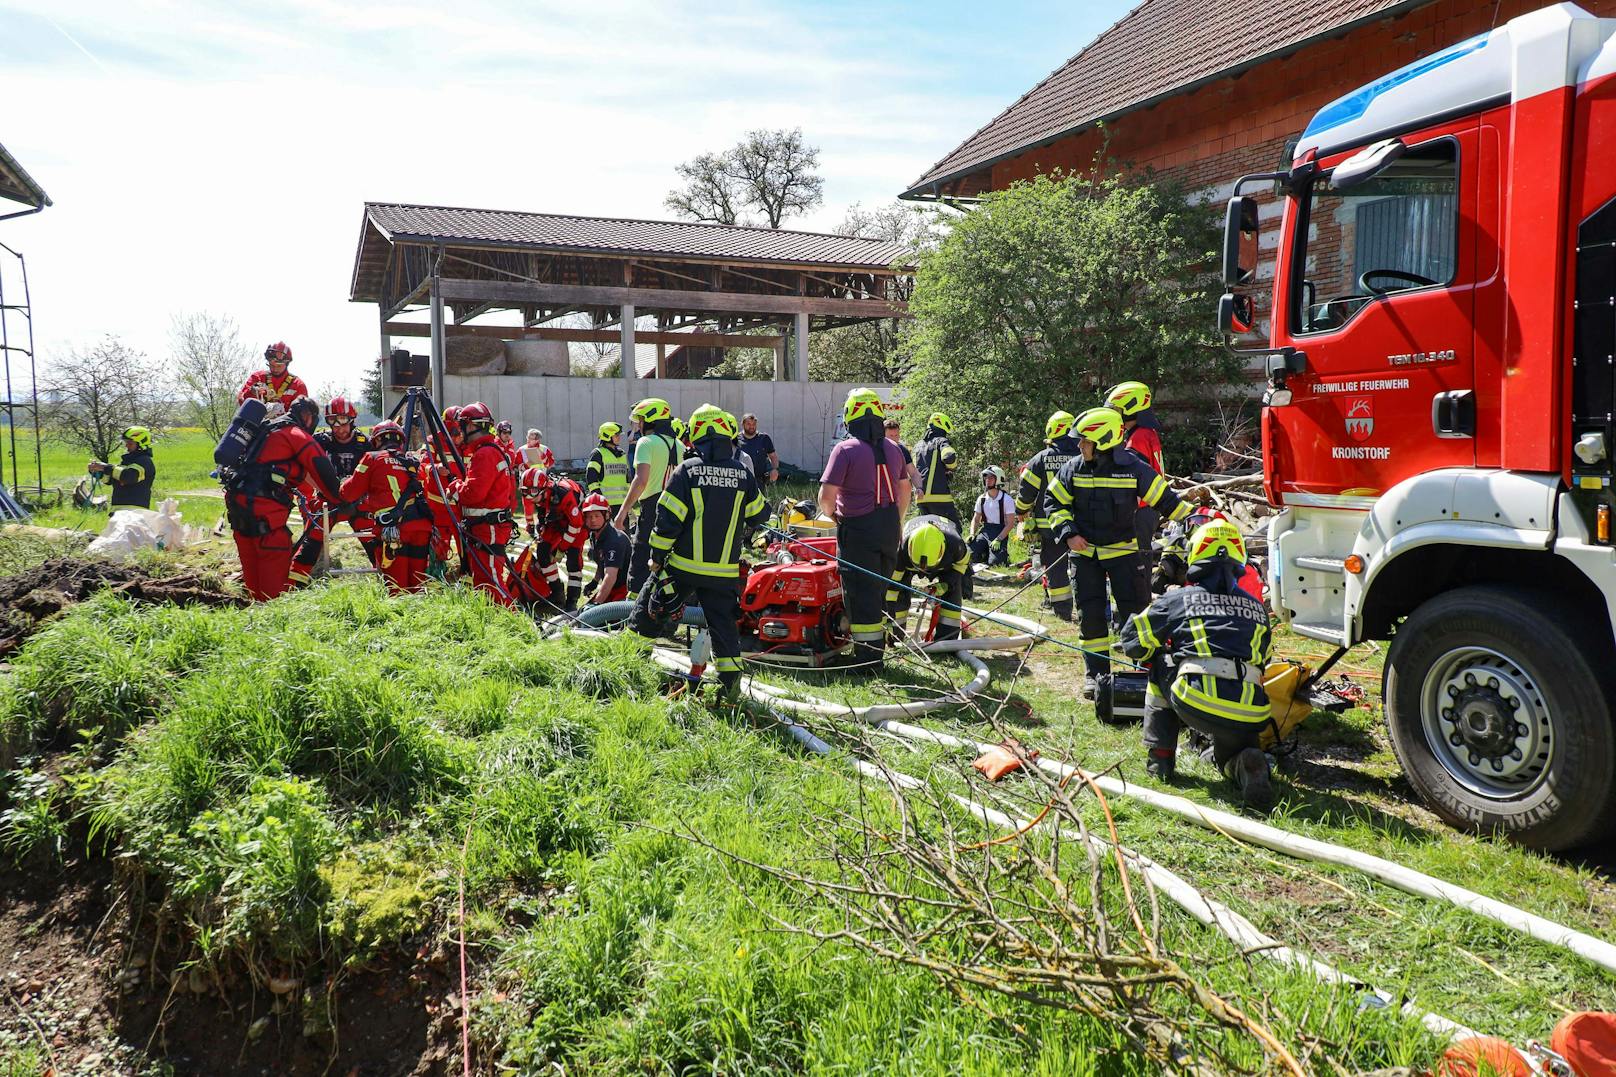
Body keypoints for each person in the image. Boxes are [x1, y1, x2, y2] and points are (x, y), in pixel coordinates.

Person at [1119, 520, 1276, 810]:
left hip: (1197, 701)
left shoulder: (1177, 599)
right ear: (1240, 558)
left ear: (1194, 556)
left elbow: (1132, 639)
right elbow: (1264, 660)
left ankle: (1160, 760)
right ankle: (1246, 763)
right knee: (1229, 756)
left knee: (1160, 661)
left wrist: (1158, 652)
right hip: (1251, 711)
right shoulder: (1257, 608)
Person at [1048, 407, 1191, 699]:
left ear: (1102, 441)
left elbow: (1166, 501)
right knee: (1090, 616)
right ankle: (1096, 675)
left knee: (1135, 614)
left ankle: (1142, 670)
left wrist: (1195, 521)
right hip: (1086, 557)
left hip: (1124, 555)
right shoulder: (1073, 468)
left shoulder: (1134, 468)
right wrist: (1069, 533)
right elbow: (1054, 503)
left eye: (1084, 441)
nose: (1078, 446)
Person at [633, 405, 768, 704]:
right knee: (724, 630)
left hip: (681, 568)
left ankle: (630, 668)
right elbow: (760, 514)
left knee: (647, 613)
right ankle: (730, 689)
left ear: (696, 437)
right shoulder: (743, 475)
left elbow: (667, 518)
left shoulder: (687, 471)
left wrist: (657, 554)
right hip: (722, 574)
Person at [819, 389, 911, 668]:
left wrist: (833, 516)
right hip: (889, 527)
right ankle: (877, 648)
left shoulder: (845, 449)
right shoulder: (895, 449)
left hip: (858, 530)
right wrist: (897, 520)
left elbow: (826, 498)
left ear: (850, 416)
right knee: (880, 590)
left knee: (861, 596)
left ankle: (868, 662)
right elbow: (905, 490)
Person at [224, 397, 341, 601]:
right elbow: (326, 477)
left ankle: (254, 615)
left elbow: (294, 472)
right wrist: (341, 500)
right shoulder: (296, 435)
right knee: (273, 593)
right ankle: (272, 622)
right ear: (308, 417)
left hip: (238, 510)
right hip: (265, 517)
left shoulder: (265, 429)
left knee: (253, 579)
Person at [339, 420, 433, 593]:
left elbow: (349, 493)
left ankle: (399, 618)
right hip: (421, 529)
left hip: (393, 531)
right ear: (401, 441)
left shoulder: (372, 458)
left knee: (396, 589)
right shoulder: (413, 462)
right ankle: (419, 617)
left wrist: (340, 484)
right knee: (418, 587)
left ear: (376, 441)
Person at [290, 397, 373, 588]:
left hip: (358, 501)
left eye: (343, 423)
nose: (339, 429)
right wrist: (322, 492)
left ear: (352, 420)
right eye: (333, 423)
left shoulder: (366, 443)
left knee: (370, 533)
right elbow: (304, 471)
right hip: (327, 500)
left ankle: (388, 575)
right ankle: (294, 583)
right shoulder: (319, 442)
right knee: (313, 536)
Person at [1014, 411, 1081, 622]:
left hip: (1051, 526)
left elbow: (1026, 492)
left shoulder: (1041, 458)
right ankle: (1088, 608)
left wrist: (1021, 511)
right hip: (1083, 525)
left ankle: (1062, 611)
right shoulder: (1085, 454)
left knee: (1056, 567)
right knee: (1085, 566)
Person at [448, 402, 516, 605]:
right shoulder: (488, 451)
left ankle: (516, 626)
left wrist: (455, 487)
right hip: (485, 527)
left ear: (470, 426)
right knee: (484, 581)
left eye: (462, 426)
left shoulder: (484, 454)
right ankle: (497, 624)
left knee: (491, 581)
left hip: (489, 528)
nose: (460, 431)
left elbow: (473, 494)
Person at [1105, 380, 1168, 595]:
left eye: (1117, 410)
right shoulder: (1145, 433)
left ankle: (1139, 602)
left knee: (1137, 560)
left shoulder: (1138, 437)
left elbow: (1131, 478)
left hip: (1141, 508)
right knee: (1141, 556)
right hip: (1148, 507)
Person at [614, 397, 679, 597]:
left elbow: (641, 481)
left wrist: (623, 512)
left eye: (641, 420)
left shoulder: (646, 442)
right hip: (676, 510)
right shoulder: (680, 446)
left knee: (641, 557)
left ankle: (631, 609)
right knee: (667, 559)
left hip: (652, 509)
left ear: (651, 419)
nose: (639, 425)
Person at [887, 515, 971, 642]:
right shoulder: (900, 550)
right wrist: (888, 617)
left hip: (946, 565)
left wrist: (947, 584)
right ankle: (896, 636)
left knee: (953, 594)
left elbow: (962, 565)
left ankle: (947, 640)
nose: (923, 571)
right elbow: (892, 588)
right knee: (899, 594)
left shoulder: (956, 545)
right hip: (907, 561)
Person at [528, 466, 587, 611]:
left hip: (577, 523)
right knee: (543, 552)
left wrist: (561, 549)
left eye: (533, 492)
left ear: (543, 488)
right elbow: (543, 509)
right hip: (558, 521)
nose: (530, 497)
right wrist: (541, 524)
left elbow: (576, 525)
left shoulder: (564, 493)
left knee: (573, 559)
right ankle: (557, 593)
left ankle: (572, 600)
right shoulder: (543, 494)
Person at [581, 492, 631, 606]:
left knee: (604, 620)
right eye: (589, 516)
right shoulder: (595, 536)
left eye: (597, 516)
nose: (592, 520)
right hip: (612, 588)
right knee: (583, 613)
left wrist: (597, 604)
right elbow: (602, 561)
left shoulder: (614, 540)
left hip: (625, 590)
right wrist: (594, 582)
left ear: (607, 515)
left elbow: (610, 576)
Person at [87, 426, 156, 509]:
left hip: (135, 513)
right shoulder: (127, 461)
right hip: (119, 511)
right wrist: (97, 472)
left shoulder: (144, 461)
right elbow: (111, 480)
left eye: (130, 443)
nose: (126, 446)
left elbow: (128, 477)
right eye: (126, 442)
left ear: (141, 444)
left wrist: (106, 467)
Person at [913, 412, 961, 527]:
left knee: (930, 531)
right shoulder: (941, 441)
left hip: (921, 499)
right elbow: (949, 456)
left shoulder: (917, 446)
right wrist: (951, 468)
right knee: (954, 529)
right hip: (940, 497)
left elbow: (912, 471)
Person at [237, 342, 310, 416]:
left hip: (285, 426)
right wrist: (252, 392)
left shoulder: (298, 386)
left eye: (279, 366)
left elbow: (303, 415)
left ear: (287, 363)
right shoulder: (258, 377)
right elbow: (242, 401)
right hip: (257, 424)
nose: (274, 369)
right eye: (271, 365)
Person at [969, 466, 1017, 567]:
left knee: (996, 563)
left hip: (1000, 531)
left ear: (998, 479)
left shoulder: (1006, 499)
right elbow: (976, 519)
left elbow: (1010, 524)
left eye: (991, 478)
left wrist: (999, 539)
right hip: (985, 531)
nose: (987, 480)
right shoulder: (981, 499)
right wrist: (972, 534)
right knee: (968, 555)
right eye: (986, 478)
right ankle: (986, 552)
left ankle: (999, 555)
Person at [584, 421, 630, 515]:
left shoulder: (622, 454)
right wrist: (598, 497)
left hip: (623, 505)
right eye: (616, 435)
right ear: (607, 436)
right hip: (605, 505)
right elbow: (591, 478)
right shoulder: (597, 454)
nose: (619, 438)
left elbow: (627, 479)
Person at [738, 413, 778, 489]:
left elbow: (773, 456)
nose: (751, 427)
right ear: (742, 424)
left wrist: (774, 469)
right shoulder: (736, 439)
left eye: (754, 424)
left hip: (759, 481)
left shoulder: (764, 438)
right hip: (741, 479)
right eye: (748, 424)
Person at [884, 417, 923, 492]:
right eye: (891, 436)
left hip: (898, 493)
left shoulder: (903, 450)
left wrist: (919, 488)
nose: (894, 439)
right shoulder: (875, 450)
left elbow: (913, 473)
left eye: (896, 435)